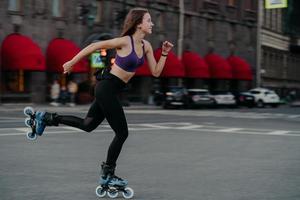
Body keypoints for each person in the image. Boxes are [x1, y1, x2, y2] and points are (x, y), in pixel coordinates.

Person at [33, 8, 173, 188]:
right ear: (139, 24)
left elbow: (156, 72)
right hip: (106, 88)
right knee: (122, 133)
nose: (152, 23)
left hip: (111, 91)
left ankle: (46, 118)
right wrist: (72, 62)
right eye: (149, 20)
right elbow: (93, 47)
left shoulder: (146, 46)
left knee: (88, 125)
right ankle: (108, 173)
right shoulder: (124, 41)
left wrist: (164, 53)